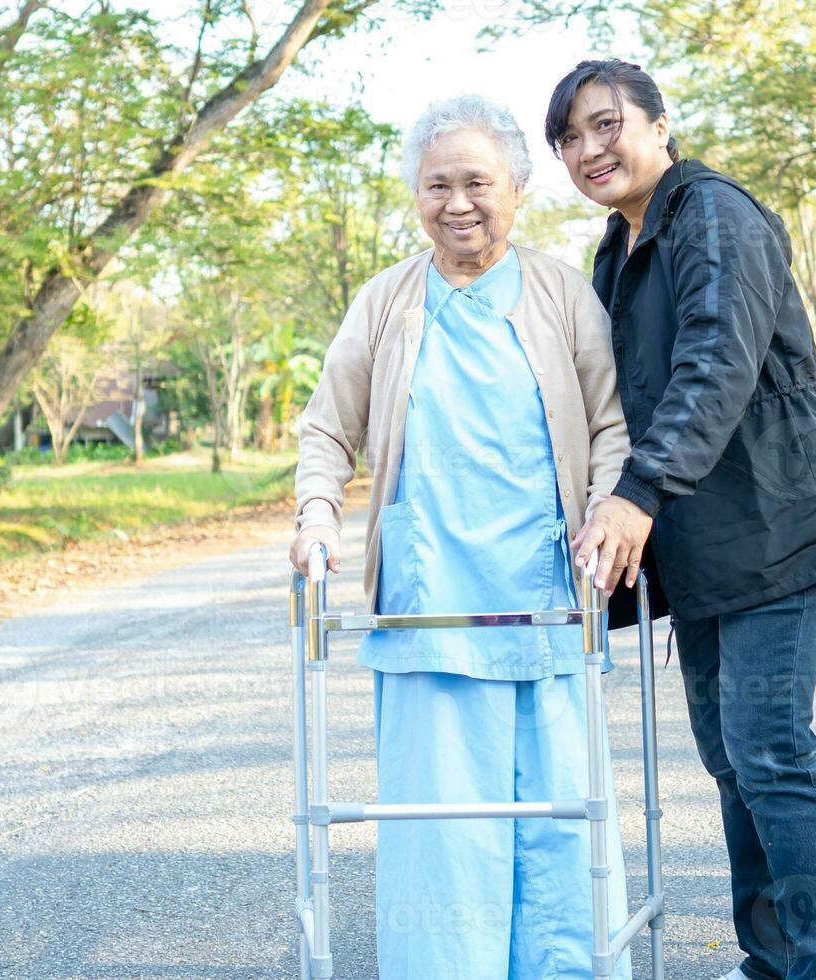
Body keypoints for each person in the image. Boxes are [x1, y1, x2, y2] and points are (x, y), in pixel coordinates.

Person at [289, 94, 633, 980]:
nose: (458, 203)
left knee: (557, 826)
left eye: (477, 182)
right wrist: (317, 517)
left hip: (550, 597)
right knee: (443, 836)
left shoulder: (563, 293)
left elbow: (611, 426)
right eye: (436, 185)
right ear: (416, 196)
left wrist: (606, 511)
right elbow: (329, 427)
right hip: (429, 603)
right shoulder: (386, 300)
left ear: (517, 188)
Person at [547, 60, 816, 980]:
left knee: (769, 746)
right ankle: (770, 959)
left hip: (778, 521)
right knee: (730, 756)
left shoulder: (714, 214)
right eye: (570, 137)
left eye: (605, 124)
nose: (588, 149)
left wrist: (639, 493)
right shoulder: (618, 247)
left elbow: (716, 363)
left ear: (658, 123)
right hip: (702, 543)